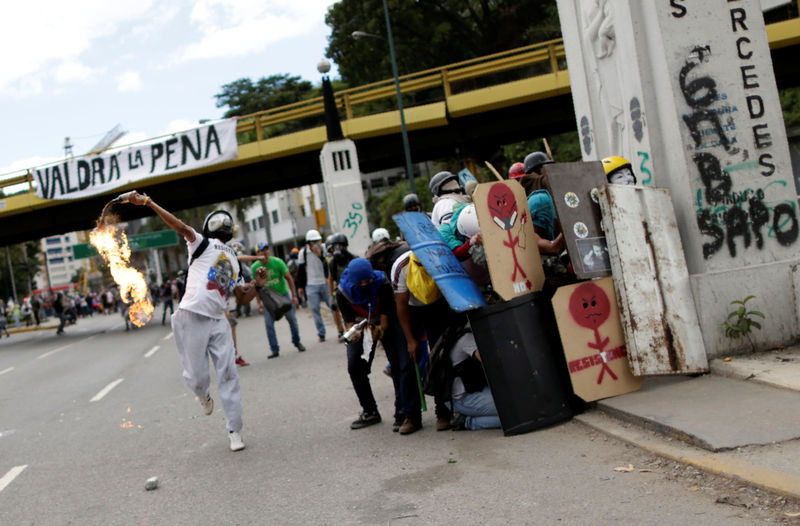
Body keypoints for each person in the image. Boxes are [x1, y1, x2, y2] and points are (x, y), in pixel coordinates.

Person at [125, 190, 267, 452]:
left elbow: (241, 298)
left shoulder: (235, 262)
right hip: (191, 317)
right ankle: (202, 394)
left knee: (228, 374)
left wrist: (257, 285)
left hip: (218, 321)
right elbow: (179, 226)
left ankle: (235, 431)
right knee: (197, 377)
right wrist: (148, 202)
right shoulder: (201, 243)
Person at [391, 250, 455, 434]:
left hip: (437, 306)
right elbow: (401, 305)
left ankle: (443, 411)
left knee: (440, 357)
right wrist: (411, 340)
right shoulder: (401, 267)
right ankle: (411, 415)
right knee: (408, 362)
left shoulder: (439, 257)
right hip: (411, 310)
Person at [336, 258, 394, 430]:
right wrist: (357, 335)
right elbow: (349, 324)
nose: (365, 285)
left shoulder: (381, 283)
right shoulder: (343, 293)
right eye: (360, 282)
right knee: (355, 366)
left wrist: (378, 331)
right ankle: (370, 411)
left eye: (367, 281)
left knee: (397, 360)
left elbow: (385, 320)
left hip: (382, 322)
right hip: (361, 326)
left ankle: (405, 411)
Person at [249, 242, 305, 359]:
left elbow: (289, 278)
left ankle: (297, 342)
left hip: (282, 295)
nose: (264, 253)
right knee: (269, 324)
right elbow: (256, 288)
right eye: (261, 251)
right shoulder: (254, 268)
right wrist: (259, 303)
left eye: (266, 250)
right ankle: (274, 349)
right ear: (257, 253)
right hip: (268, 299)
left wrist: (294, 295)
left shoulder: (278, 262)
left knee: (292, 319)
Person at [445, 327, 500, 431]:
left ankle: (466, 416)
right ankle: (467, 421)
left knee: (514, 409)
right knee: (511, 412)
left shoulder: (459, 333)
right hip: (463, 399)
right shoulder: (467, 338)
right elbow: (492, 364)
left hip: (474, 392)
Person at [296, 229, 335, 342]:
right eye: (314, 242)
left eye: (318, 241)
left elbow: (328, 263)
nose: (316, 243)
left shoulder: (324, 249)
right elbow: (301, 271)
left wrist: (320, 255)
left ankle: (340, 329)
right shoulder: (303, 253)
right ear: (309, 243)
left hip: (325, 282)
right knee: (315, 309)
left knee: (333, 305)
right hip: (311, 284)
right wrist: (300, 287)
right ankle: (321, 333)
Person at [326, 233, 356, 341]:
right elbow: (331, 279)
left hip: (354, 289)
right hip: (341, 291)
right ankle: (341, 331)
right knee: (337, 309)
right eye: (335, 246)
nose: (337, 249)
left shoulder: (353, 259)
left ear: (345, 246)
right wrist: (331, 296)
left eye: (340, 245)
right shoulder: (332, 263)